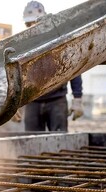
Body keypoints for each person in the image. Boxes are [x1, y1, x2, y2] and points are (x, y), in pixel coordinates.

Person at [23, 1, 84, 132]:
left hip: (57, 101)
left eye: (35, 23)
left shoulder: (58, 42)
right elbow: (15, 78)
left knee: (59, 143)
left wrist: (77, 98)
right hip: (32, 103)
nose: (32, 27)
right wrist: (12, 105)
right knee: (31, 143)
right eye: (29, 24)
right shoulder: (22, 47)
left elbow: (74, 68)